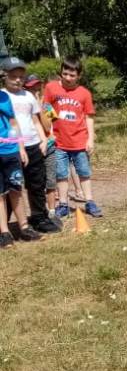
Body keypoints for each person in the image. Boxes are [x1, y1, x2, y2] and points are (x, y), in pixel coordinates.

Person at [0, 59, 60, 234]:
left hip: (33, 145)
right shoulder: (2, 96)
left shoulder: (29, 96)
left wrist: (43, 140)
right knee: (12, 186)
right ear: (4, 76)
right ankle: (6, 225)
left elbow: (35, 120)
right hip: (11, 148)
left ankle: (39, 217)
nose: (18, 80)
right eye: (13, 76)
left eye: (21, 76)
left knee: (36, 183)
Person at [43, 58, 103, 218]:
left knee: (84, 172)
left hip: (79, 142)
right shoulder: (51, 87)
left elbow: (89, 117)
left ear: (79, 75)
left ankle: (89, 202)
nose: (68, 78)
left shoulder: (84, 93)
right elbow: (47, 107)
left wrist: (90, 139)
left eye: (72, 75)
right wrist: (50, 130)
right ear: (61, 72)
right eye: (65, 74)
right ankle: (63, 204)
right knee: (61, 174)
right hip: (59, 142)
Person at [0, 84, 42, 248]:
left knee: (16, 189)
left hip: (11, 151)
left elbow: (13, 122)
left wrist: (21, 147)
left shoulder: (4, 97)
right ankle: (4, 233)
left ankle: (24, 227)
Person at [24, 74, 59, 219]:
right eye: (31, 88)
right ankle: (37, 212)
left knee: (50, 181)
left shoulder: (46, 105)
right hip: (32, 148)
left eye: (37, 87)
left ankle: (52, 211)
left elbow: (48, 125)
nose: (35, 90)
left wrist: (39, 107)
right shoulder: (23, 106)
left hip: (49, 147)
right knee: (34, 183)